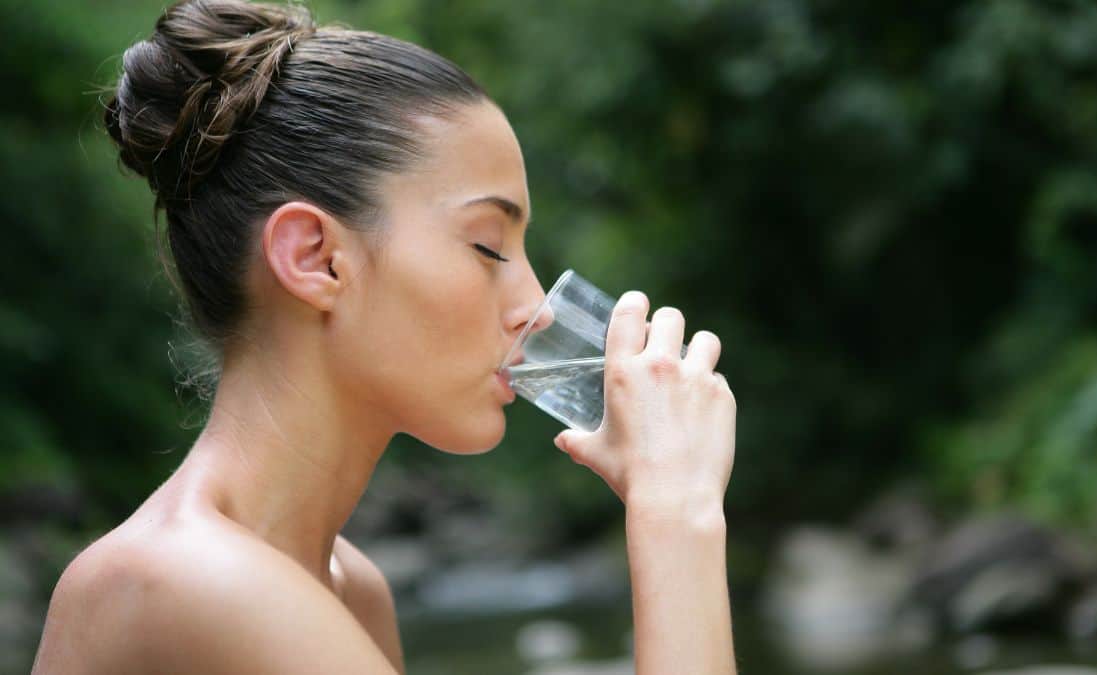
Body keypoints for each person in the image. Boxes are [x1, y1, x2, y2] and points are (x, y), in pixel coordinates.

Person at [31, 0, 738, 672]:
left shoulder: (348, 586)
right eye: (489, 247)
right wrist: (677, 512)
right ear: (315, 257)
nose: (537, 307)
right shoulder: (190, 581)